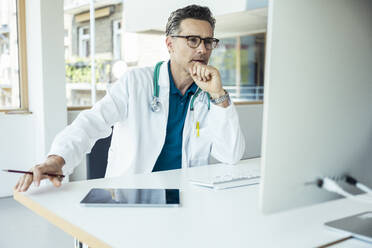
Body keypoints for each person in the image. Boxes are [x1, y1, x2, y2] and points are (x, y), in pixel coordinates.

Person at [14, 4, 245, 192]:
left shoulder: (209, 96)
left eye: (208, 41)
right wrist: (57, 159)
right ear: (170, 44)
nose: (203, 49)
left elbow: (231, 155)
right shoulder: (136, 82)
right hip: (131, 194)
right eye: (193, 40)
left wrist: (218, 96)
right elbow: (91, 123)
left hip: (187, 198)